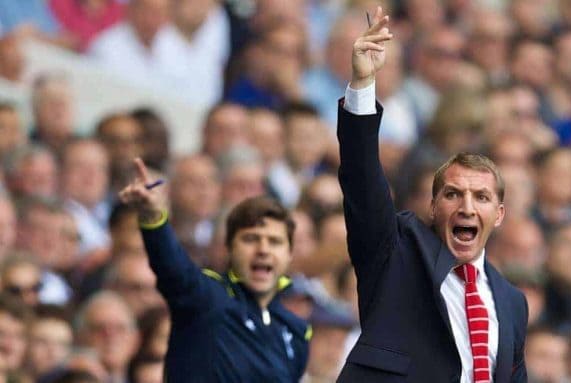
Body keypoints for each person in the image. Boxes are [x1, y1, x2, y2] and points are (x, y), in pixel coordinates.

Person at [336, 7, 528, 382]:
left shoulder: (512, 302)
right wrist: (363, 85)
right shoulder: (396, 251)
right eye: (453, 194)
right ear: (433, 206)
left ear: (500, 214)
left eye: (482, 197)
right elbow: (361, 181)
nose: (467, 207)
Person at [118, 158, 310, 382]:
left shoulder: (296, 331)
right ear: (229, 248)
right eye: (250, 239)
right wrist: (154, 218)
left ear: (290, 254)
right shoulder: (206, 298)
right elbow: (173, 268)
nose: (263, 249)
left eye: (275, 242)